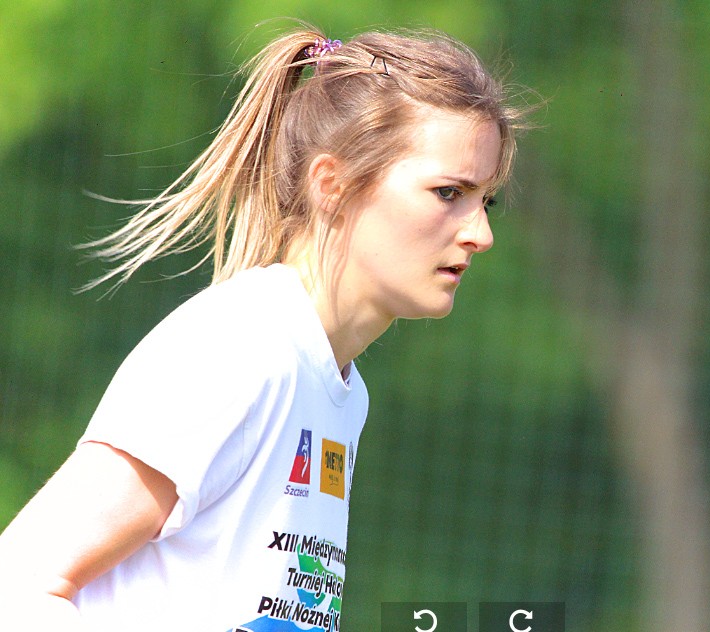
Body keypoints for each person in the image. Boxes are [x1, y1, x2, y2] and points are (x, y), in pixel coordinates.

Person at [0, 23, 524, 632]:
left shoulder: (336, 385)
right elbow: (17, 585)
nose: (480, 234)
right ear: (332, 186)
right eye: (448, 192)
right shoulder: (241, 349)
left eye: (485, 201)